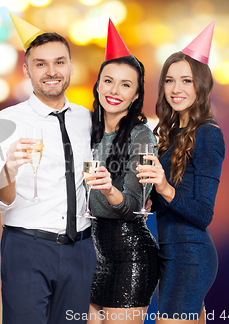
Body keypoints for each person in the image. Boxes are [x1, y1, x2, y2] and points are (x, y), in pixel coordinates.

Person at [0, 13, 96, 324]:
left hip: (81, 249)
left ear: (70, 66)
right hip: (27, 248)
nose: (51, 72)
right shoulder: (7, 120)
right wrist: (8, 168)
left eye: (59, 62)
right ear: (27, 70)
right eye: (40, 64)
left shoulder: (88, 119)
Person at [138, 21, 225, 323]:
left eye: (186, 81)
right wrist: (152, 200)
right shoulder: (172, 133)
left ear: (200, 86)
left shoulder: (208, 134)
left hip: (190, 257)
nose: (176, 89)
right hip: (170, 254)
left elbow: (203, 214)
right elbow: (175, 198)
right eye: (170, 80)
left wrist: (164, 189)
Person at [86, 19, 159, 324]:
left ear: (135, 95)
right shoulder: (84, 127)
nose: (114, 91)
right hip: (97, 256)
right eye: (108, 81)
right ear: (98, 84)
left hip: (132, 255)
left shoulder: (142, 137)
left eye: (125, 84)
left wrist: (108, 189)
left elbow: (133, 207)